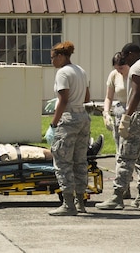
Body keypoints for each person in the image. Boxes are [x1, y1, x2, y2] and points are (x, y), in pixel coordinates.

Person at [96, 43, 140, 211]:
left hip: (138, 115)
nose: (125, 60)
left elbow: (136, 94)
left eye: (125, 56)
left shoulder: (136, 68)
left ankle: (117, 196)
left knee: (126, 156)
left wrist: (127, 116)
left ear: (131, 54)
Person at [47, 41, 91, 216]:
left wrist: (53, 123)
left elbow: (63, 100)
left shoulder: (63, 73)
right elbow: (87, 97)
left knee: (63, 162)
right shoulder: (80, 70)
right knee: (80, 161)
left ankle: (68, 204)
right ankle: (80, 202)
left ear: (61, 56)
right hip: (83, 117)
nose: (52, 61)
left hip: (69, 119)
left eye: (53, 57)